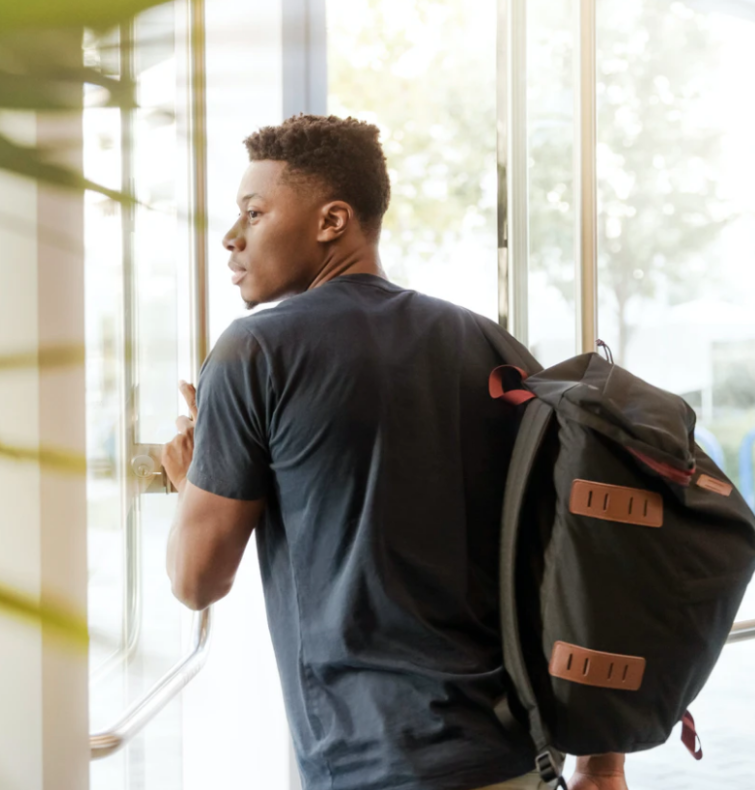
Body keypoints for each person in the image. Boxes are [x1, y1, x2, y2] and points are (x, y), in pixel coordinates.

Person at [161, 114, 628, 790]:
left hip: (375, 764)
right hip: (519, 755)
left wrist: (191, 484)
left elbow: (195, 581)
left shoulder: (254, 351)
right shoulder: (492, 348)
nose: (231, 239)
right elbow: (577, 550)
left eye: (254, 213)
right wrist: (603, 760)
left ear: (332, 221)